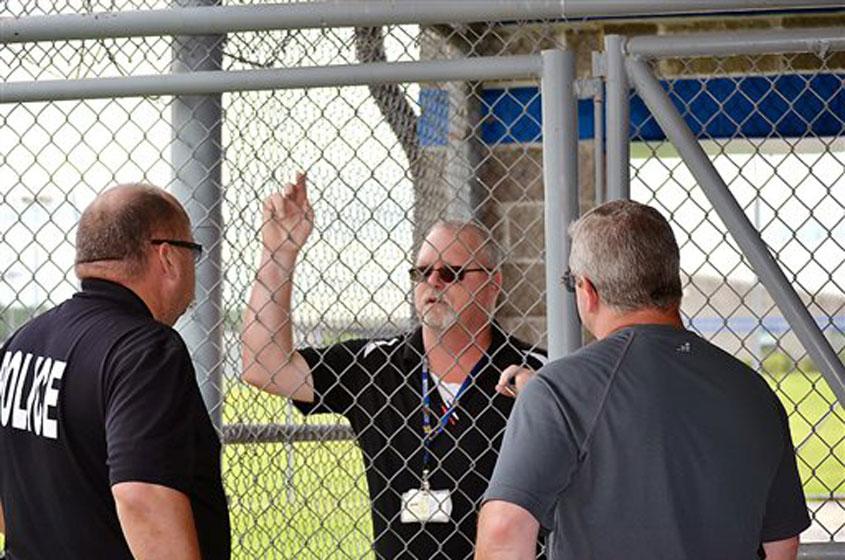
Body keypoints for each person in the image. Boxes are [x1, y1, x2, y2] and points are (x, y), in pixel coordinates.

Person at [476, 199, 811, 560]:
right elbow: (782, 544)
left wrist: (546, 396)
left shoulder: (560, 391)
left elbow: (504, 530)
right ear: (672, 281)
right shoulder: (753, 391)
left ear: (587, 291)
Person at [241, 175, 547, 559]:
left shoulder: (537, 374)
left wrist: (544, 400)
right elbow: (263, 365)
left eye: (451, 273)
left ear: (493, 284)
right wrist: (279, 252)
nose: (432, 282)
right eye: (422, 272)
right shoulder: (375, 364)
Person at [0, 184, 231, 559]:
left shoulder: (23, 341)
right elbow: (142, 494)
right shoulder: (146, 351)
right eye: (193, 252)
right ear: (168, 257)